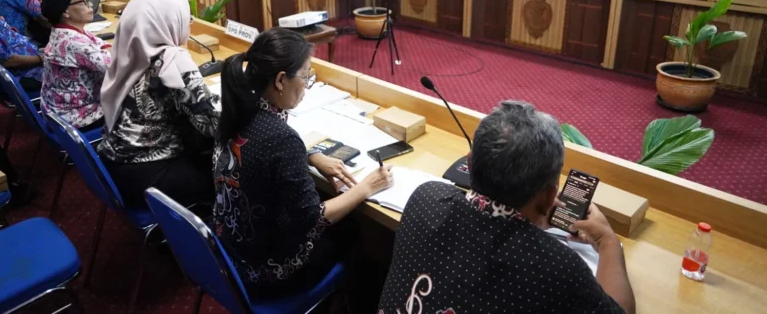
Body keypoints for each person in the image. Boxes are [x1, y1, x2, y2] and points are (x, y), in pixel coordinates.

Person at [378, 101, 635, 314]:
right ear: (550, 197)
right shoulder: (557, 266)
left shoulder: (427, 197)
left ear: (469, 163)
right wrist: (608, 242)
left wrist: (533, 216)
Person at [212, 27, 394, 300]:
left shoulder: (236, 111)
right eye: (305, 76)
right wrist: (367, 187)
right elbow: (313, 219)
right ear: (280, 80)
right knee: (352, 228)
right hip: (266, 274)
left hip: (230, 255)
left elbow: (260, 148)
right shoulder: (281, 138)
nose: (307, 86)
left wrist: (308, 155)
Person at [97, 0, 220, 207]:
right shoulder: (173, 59)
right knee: (234, 173)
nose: (188, 23)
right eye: (186, 18)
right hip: (151, 177)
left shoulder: (127, 49)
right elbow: (211, 125)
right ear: (167, 22)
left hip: (115, 165)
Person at [40, 0, 112, 131]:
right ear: (65, 11)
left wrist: (105, 51)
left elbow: (99, 43)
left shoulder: (64, 30)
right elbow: (116, 70)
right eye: (84, 1)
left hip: (59, 111)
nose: (90, 5)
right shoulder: (73, 42)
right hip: (77, 118)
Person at [0, 0, 43, 91]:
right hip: (23, 74)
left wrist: (40, 52)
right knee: (74, 70)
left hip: (32, 60)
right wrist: (41, 58)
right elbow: (8, 61)